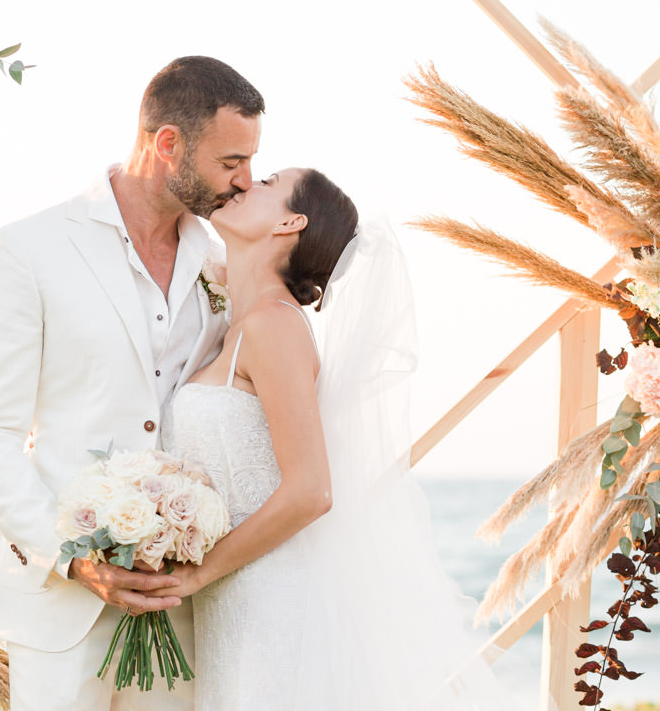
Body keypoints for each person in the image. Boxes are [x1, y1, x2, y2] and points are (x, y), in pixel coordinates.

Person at [0, 55, 263, 710]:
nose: (246, 181)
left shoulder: (223, 264)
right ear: (169, 144)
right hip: (59, 607)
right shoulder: (26, 249)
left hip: (184, 606)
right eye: (231, 162)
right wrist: (75, 558)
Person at [153, 167, 522, 709]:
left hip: (274, 603)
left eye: (268, 182)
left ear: (290, 221)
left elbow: (311, 491)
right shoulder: (240, 320)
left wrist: (197, 574)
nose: (244, 183)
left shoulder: (273, 325)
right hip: (234, 604)